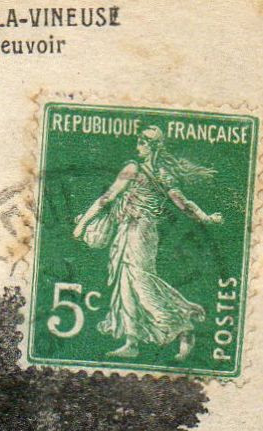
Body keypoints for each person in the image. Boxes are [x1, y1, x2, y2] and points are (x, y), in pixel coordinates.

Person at [71, 126, 225, 362]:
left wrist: (82, 225)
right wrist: (205, 217)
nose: (137, 146)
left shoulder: (137, 169)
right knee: (126, 285)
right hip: (129, 230)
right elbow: (184, 204)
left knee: (141, 283)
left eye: (142, 142)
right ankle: (132, 342)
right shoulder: (162, 174)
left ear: (151, 146)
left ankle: (183, 325)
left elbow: (107, 197)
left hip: (140, 232)